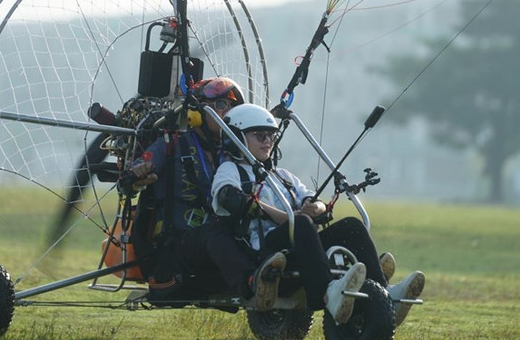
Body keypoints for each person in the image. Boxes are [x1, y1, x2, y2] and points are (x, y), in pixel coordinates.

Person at [211, 103, 424, 326]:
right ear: (236, 138)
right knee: (301, 222)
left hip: (302, 242)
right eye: (259, 135)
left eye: (271, 136)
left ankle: (385, 293)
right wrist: (289, 217)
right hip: (267, 250)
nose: (267, 141)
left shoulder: (282, 175)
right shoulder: (230, 171)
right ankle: (327, 292)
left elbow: (315, 202)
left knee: (351, 225)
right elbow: (229, 198)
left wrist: (315, 207)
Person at [128, 77, 285, 309]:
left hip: (219, 248)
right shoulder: (171, 144)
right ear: (197, 112)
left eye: (233, 107)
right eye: (221, 105)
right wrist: (138, 176)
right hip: (176, 252)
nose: (228, 113)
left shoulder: (236, 153)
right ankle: (252, 284)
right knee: (216, 233)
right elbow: (131, 177)